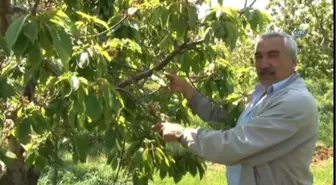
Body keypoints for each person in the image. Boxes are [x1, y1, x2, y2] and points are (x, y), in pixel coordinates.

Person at [152, 32, 319, 185]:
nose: (264, 63)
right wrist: (187, 89)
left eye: (273, 56)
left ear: (294, 62)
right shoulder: (261, 94)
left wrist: (182, 133)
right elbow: (223, 117)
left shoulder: (295, 102)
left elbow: (234, 145)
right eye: (258, 57)